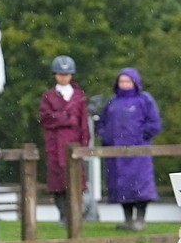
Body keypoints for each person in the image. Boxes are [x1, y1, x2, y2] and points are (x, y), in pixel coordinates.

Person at [98, 68, 162, 231]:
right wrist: (106, 138)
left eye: (128, 81)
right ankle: (128, 220)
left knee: (140, 186)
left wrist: (140, 137)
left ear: (135, 82)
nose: (124, 84)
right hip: (117, 154)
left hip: (139, 154)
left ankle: (140, 219)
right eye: (122, 81)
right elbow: (102, 123)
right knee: (122, 187)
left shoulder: (144, 100)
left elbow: (154, 123)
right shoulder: (112, 102)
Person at [38, 55, 90, 227]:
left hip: (74, 143)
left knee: (76, 181)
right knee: (57, 183)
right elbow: (45, 119)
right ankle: (62, 216)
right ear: (55, 75)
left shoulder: (78, 96)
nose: (63, 77)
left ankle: (74, 215)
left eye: (66, 74)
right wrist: (66, 118)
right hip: (55, 145)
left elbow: (83, 123)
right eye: (60, 74)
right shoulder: (48, 96)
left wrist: (84, 144)